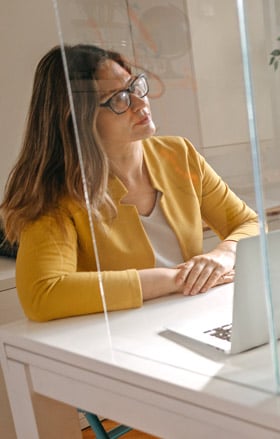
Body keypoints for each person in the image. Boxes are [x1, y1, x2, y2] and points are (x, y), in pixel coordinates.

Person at [0, 44, 259, 322]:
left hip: (196, 318)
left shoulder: (179, 154)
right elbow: (43, 294)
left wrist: (224, 254)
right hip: (120, 339)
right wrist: (174, 279)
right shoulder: (58, 192)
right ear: (79, 119)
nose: (140, 102)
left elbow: (250, 224)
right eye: (118, 98)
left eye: (134, 86)